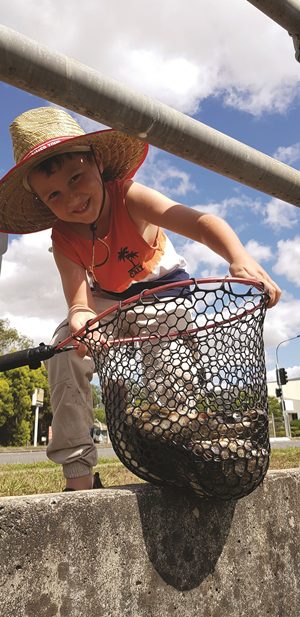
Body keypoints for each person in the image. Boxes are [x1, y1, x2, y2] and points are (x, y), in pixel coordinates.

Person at [0, 107, 281, 492]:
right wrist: (81, 319)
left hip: (163, 292)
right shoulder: (63, 237)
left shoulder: (128, 196)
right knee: (65, 346)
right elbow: (79, 300)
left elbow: (200, 222)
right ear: (43, 204)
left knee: (171, 387)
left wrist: (240, 258)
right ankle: (78, 475)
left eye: (77, 178)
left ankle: (185, 460)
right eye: (55, 195)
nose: (73, 199)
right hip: (109, 300)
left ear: (98, 164)